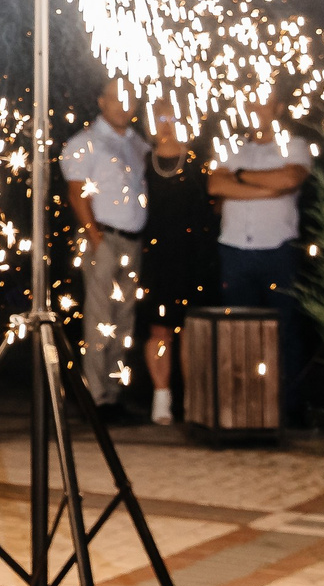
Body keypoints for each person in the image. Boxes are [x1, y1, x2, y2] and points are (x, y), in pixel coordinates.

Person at [211, 96, 312, 428]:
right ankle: (243, 407)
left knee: (284, 329)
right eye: (250, 104)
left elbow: (289, 180)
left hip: (278, 248)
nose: (255, 110)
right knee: (239, 330)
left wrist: (238, 177)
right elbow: (215, 183)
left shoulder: (294, 145)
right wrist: (266, 187)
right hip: (234, 249)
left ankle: (289, 407)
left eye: (263, 104)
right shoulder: (230, 145)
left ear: (278, 108)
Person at [58, 80, 148, 418]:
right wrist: (96, 239)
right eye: (116, 99)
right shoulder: (85, 142)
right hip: (103, 238)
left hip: (132, 239)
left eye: (130, 99)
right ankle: (94, 398)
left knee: (123, 321)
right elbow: (76, 193)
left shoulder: (137, 143)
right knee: (100, 320)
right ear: (101, 102)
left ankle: (113, 395)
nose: (124, 106)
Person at [139, 113, 215, 426]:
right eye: (159, 116)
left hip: (195, 254)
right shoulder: (142, 160)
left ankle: (193, 400)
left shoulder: (200, 160)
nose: (166, 123)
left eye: (173, 116)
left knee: (192, 329)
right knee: (160, 329)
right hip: (156, 255)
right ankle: (161, 398)